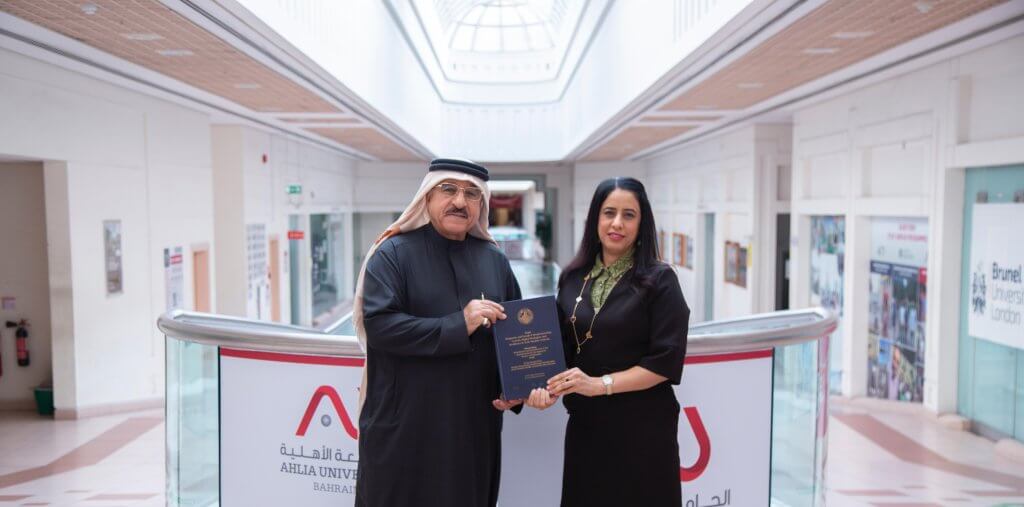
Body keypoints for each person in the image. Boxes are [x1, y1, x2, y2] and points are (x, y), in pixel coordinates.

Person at [352, 158, 522, 507]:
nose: (460, 201)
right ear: (427, 196)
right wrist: (460, 324)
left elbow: (514, 334)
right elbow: (380, 326)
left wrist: (514, 386)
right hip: (405, 430)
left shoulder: (495, 261)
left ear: (481, 204)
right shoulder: (392, 254)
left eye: (472, 194)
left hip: (472, 431)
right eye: (449, 189)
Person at [525, 177, 689, 507]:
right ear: (595, 219)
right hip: (586, 429)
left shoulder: (660, 280)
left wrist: (600, 385)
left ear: (641, 223)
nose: (617, 223)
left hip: (643, 432)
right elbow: (560, 351)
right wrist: (542, 388)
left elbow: (665, 362)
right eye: (609, 212)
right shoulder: (573, 277)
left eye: (629, 215)